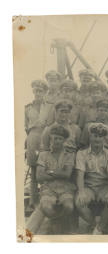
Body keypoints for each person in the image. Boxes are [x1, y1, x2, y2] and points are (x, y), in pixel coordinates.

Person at [75, 123, 108, 234]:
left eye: (100, 136)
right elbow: (80, 174)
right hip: (88, 186)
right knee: (79, 203)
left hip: (104, 185)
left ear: (104, 138)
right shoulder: (81, 153)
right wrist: (81, 192)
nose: (97, 139)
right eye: (94, 136)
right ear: (90, 137)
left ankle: (98, 229)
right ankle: (97, 226)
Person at [36, 125, 76, 234]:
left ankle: (55, 224)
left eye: (59, 139)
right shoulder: (43, 155)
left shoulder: (69, 155)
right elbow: (39, 176)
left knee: (69, 206)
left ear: (64, 141)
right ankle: (58, 222)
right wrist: (59, 173)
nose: (56, 141)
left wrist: (50, 172)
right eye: (54, 138)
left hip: (66, 188)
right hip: (48, 189)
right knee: (46, 207)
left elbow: (67, 175)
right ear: (50, 139)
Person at [25, 80, 52, 209]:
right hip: (33, 136)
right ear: (33, 91)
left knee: (46, 167)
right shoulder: (28, 107)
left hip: (45, 136)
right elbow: (26, 126)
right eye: (36, 90)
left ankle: (45, 198)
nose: (38, 93)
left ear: (45, 92)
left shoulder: (49, 107)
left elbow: (51, 124)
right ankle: (33, 200)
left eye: (40, 90)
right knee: (34, 167)